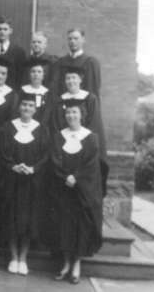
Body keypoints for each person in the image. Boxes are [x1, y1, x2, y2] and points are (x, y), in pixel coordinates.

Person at [51, 100, 103, 284]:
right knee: (64, 225)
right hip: (63, 188)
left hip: (82, 191)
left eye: (75, 112)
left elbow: (91, 165)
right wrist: (65, 176)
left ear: (82, 115)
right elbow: (55, 159)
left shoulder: (91, 137)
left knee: (80, 226)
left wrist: (77, 178)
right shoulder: (59, 136)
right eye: (68, 113)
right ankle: (65, 263)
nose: (71, 116)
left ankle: (76, 265)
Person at [1, 92, 50, 276]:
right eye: (24, 105)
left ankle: (23, 258)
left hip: (32, 183)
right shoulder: (8, 127)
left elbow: (46, 155)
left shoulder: (42, 129)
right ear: (19, 107)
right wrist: (13, 166)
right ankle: (13, 257)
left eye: (30, 106)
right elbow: (3, 152)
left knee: (28, 221)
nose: (27, 109)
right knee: (12, 220)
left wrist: (34, 168)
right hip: (13, 181)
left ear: (35, 109)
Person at [52, 66, 108, 194]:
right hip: (63, 151)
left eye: (74, 78)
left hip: (83, 151)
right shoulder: (59, 100)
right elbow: (55, 124)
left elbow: (94, 124)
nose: (71, 81)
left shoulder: (90, 99)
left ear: (80, 80)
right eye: (68, 78)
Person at [52, 28, 101, 100]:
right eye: (70, 39)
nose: (72, 41)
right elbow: (56, 88)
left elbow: (92, 89)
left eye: (76, 38)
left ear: (83, 40)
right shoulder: (61, 62)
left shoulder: (90, 62)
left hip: (82, 106)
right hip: (64, 104)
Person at [20, 58, 57, 127]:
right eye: (33, 71)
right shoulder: (22, 91)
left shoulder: (48, 93)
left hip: (42, 128)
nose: (36, 74)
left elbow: (49, 114)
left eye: (39, 72)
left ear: (43, 76)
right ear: (29, 74)